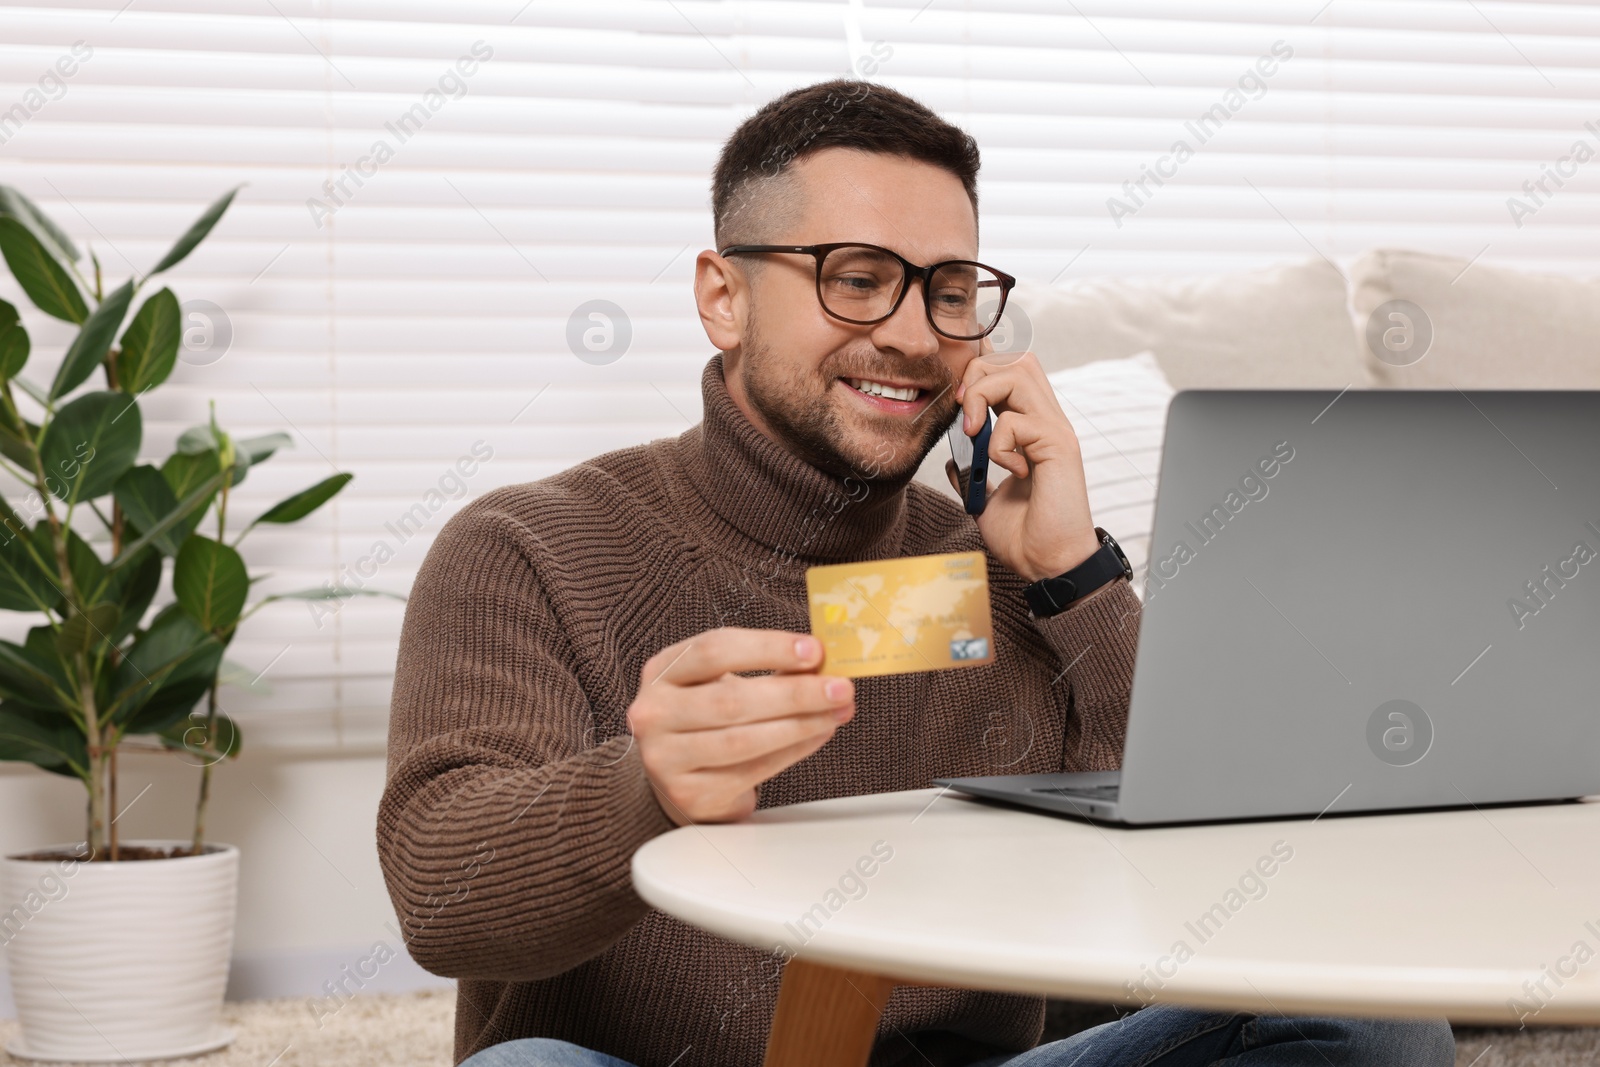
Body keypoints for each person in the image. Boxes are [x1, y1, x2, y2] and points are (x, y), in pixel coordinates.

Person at [376, 79, 1455, 1067]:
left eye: (948, 291)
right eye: (855, 280)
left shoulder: (995, 565)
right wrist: (643, 791)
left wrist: (1075, 578)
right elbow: (440, 892)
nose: (908, 333)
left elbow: (1208, 856)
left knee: (1373, 1011)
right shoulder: (524, 545)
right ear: (722, 295)